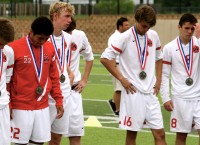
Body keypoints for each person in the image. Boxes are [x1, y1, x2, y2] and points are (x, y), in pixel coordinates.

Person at [100, 5, 167, 145]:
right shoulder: (124, 37)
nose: (146, 29)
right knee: (132, 135)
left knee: (160, 134)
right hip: (133, 93)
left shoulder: (153, 36)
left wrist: (159, 79)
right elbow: (105, 58)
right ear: (137, 20)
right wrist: (122, 79)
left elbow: (159, 58)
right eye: (144, 26)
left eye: (149, 27)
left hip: (151, 94)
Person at [7, 16, 64, 145]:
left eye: (46, 39)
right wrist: (9, 105)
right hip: (20, 106)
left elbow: (54, 77)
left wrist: (58, 99)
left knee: (38, 142)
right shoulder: (13, 48)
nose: (42, 42)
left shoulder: (49, 48)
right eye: (39, 38)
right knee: (20, 143)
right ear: (31, 32)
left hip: (42, 106)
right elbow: (7, 81)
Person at [160, 13, 200, 145]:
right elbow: (164, 75)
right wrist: (165, 97)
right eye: (186, 28)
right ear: (179, 27)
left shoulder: (198, 43)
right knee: (181, 137)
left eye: (192, 29)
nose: (189, 32)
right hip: (180, 98)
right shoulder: (169, 48)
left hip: (198, 97)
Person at [48, 2, 80, 145]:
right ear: (55, 16)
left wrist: (68, 72)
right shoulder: (44, 37)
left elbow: (61, 59)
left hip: (65, 94)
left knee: (56, 138)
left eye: (71, 17)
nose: (70, 20)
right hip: (48, 96)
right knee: (38, 138)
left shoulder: (68, 38)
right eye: (67, 16)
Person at [64, 17, 94, 144]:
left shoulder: (80, 35)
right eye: (67, 33)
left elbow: (89, 57)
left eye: (71, 32)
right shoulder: (50, 37)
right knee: (53, 137)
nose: (69, 36)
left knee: (75, 137)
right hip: (55, 92)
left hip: (74, 92)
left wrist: (84, 80)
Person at [107, 17, 130, 116]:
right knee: (119, 88)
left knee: (124, 87)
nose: (128, 27)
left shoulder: (125, 36)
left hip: (124, 65)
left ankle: (113, 102)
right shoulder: (114, 37)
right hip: (116, 65)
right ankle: (118, 110)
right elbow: (111, 54)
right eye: (126, 25)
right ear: (120, 26)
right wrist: (114, 67)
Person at [0, 18, 15, 145]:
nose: (2, 47)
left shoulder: (8, 52)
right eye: (0, 43)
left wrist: (8, 103)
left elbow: (7, 79)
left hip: (3, 105)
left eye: (5, 44)